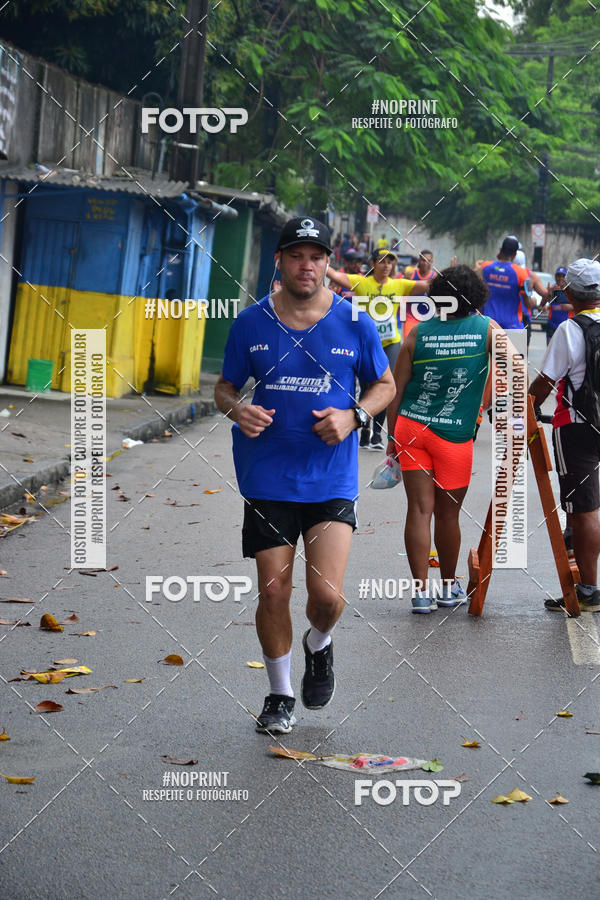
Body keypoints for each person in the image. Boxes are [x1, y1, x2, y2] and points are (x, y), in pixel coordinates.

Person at [214, 216, 395, 734]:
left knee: (327, 598)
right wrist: (235, 409)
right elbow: (225, 387)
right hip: (267, 476)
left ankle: (319, 643)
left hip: (330, 478)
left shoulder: (353, 322)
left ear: (327, 263)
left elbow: (382, 385)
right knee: (273, 591)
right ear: (280, 261)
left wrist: (355, 416)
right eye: (297, 255)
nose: (307, 264)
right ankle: (279, 693)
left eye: (316, 256)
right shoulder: (251, 322)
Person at [386, 265, 496, 613]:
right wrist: (481, 404)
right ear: (477, 296)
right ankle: (449, 588)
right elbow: (512, 371)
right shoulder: (488, 331)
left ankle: (420, 593)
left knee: (419, 511)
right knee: (449, 516)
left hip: (411, 428)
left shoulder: (418, 335)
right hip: (455, 435)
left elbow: (396, 391)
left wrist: (392, 439)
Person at [529, 258, 600, 613]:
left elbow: (545, 383)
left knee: (584, 507)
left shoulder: (570, 331)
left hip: (577, 428)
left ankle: (588, 589)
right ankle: (576, 556)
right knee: (584, 505)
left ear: (568, 291)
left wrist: (524, 403)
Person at [327, 248, 429, 449]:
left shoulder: (399, 284)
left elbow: (427, 284)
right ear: (373, 264)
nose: (386, 266)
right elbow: (335, 275)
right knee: (366, 387)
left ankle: (376, 435)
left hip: (390, 343)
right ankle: (364, 431)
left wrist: (449, 273)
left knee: (386, 386)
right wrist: (322, 261)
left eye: (390, 263)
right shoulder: (362, 282)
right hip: (366, 343)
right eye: (382, 262)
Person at [478, 236, 548, 330]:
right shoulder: (521, 273)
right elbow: (528, 303)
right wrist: (534, 301)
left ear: (500, 250)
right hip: (512, 326)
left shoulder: (485, 267)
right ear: (514, 254)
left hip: (488, 324)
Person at [539, 265, 572, 344]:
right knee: (550, 353)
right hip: (552, 325)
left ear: (566, 277)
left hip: (566, 325)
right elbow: (540, 307)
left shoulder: (571, 290)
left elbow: (580, 306)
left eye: (563, 276)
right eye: (558, 276)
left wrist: (570, 307)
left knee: (564, 353)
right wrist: (544, 307)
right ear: (555, 277)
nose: (560, 278)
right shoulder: (551, 289)